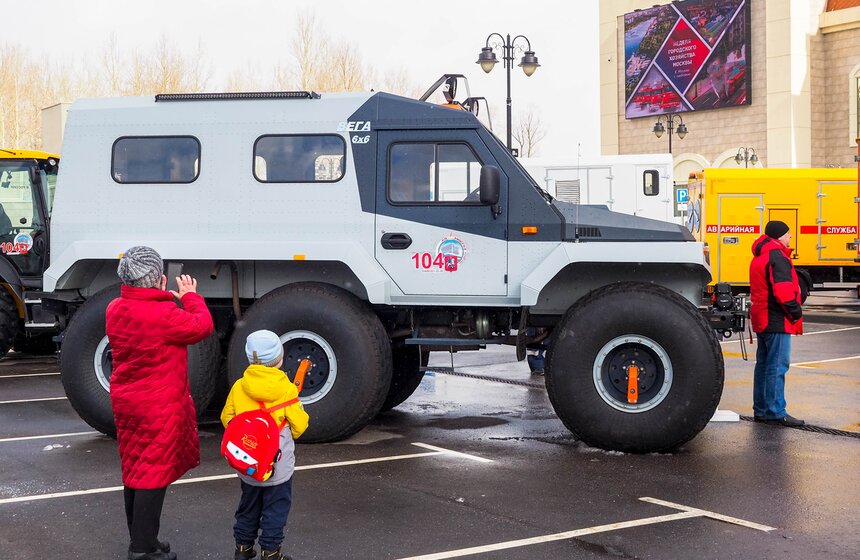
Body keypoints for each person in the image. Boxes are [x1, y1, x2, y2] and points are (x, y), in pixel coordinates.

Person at [106, 246, 215, 560]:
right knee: (152, 475)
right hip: (157, 405)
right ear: (159, 279)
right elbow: (202, 326)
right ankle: (141, 549)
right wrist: (189, 296)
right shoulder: (163, 314)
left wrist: (162, 295)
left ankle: (145, 540)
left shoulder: (115, 308)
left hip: (128, 402)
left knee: (136, 470)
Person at [221, 330, 310, 560]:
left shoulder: (240, 386)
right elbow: (300, 426)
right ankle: (270, 552)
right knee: (275, 507)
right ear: (279, 359)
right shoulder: (287, 389)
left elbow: (227, 418)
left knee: (248, 505)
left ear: (250, 358)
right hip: (277, 463)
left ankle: (243, 548)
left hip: (248, 461)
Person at [749, 221, 805, 427]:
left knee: (764, 365)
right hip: (776, 319)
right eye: (788, 234)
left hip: (762, 317)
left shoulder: (759, 257)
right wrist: (795, 311)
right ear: (779, 236)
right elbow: (783, 291)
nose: (790, 237)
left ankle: (762, 410)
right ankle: (776, 411)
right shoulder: (778, 258)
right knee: (778, 366)